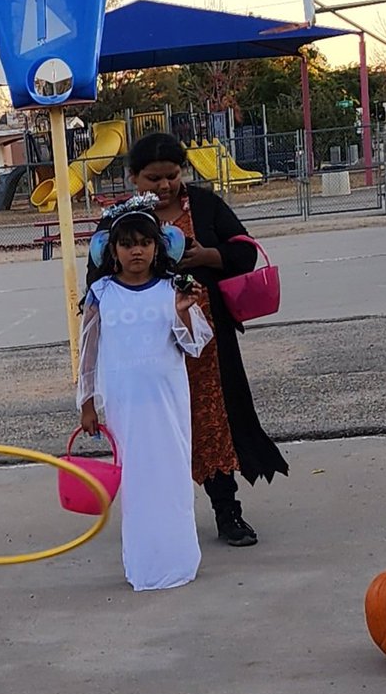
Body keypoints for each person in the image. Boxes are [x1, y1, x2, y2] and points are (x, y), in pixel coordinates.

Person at [89, 132, 288, 547]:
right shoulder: (120, 220)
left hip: (205, 343)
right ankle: (159, 518)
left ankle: (227, 512)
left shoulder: (204, 204)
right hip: (146, 350)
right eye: (153, 178)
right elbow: (97, 278)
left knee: (213, 423)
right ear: (133, 177)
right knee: (155, 433)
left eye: (172, 175)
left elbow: (244, 252)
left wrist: (207, 257)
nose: (164, 185)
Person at [78, 197, 212, 591]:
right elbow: (88, 352)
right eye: (127, 244)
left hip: (167, 401)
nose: (136, 251)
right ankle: (144, 563)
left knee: (171, 476)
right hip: (126, 404)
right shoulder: (102, 293)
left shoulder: (173, 289)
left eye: (144, 243)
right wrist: (87, 403)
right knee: (136, 481)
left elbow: (194, 345)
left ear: (157, 246)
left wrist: (184, 310)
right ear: (113, 250)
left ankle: (178, 558)